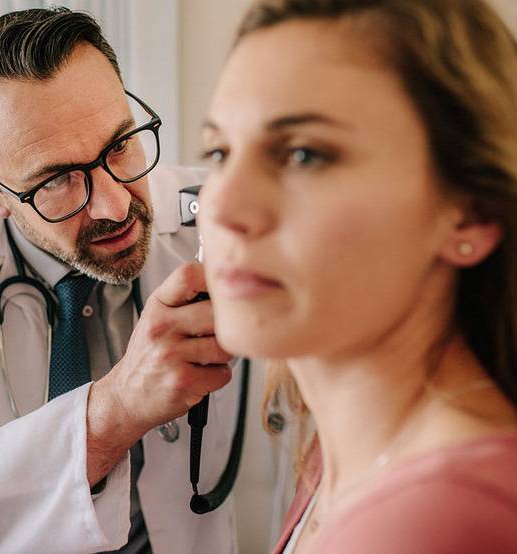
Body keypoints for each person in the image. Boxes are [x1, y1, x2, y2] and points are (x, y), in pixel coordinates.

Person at [0, 8, 241, 553]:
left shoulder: (217, 211)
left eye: (120, 145)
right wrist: (117, 409)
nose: (116, 204)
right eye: (59, 180)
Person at [197, 0, 517, 552]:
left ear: (471, 212)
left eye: (303, 154)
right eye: (220, 152)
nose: (221, 205)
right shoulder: (334, 458)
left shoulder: (438, 519)